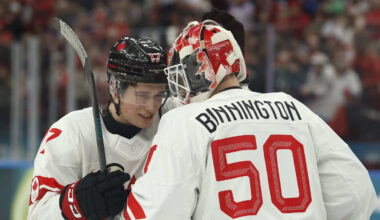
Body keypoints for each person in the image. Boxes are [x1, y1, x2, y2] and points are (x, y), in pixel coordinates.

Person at [123, 16, 377, 220]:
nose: (176, 85)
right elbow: (356, 192)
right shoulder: (292, 107)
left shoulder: (183, 120)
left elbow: (155, 212)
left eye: (180, 73)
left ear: (199, 71)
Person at [27, 37, 180, 220]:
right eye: (142, 95)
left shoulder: (172, 119)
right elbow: (37, 215)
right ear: (115, 88)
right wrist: (75, 204)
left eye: (159, 95)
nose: (152, 106)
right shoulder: (70, 133)